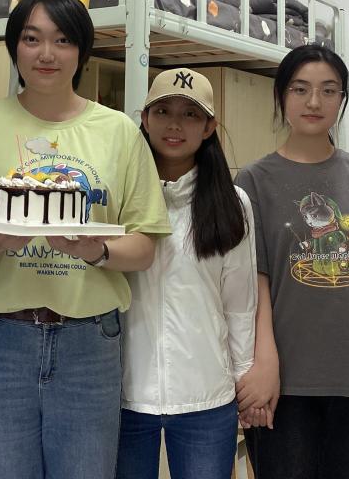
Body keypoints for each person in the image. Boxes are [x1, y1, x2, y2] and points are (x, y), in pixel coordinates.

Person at [0, 0, 171, 479]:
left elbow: (145, 245)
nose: (46, 53)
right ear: (14, 46)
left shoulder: (119, 132)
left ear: (82, 49)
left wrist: (97, 250)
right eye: (32, 38)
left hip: (89, 343)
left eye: (63, 40)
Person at [233, 43, 349, 479]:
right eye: (300, 89)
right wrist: (260, 367)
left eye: (329, 91)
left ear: (342, 99)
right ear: (281, 96)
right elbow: (252, 284)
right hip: (281, 383)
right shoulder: (253, 181)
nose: (314, 102)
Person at [116, 68, 257, 479]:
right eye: (163, 111)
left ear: (209, 127)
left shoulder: (233, 203)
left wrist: (243, 378)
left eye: (190, 114)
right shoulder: (120, 198)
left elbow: (239, 303)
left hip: (206, 396)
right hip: (124, 393)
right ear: (144, 119)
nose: (175, 124)